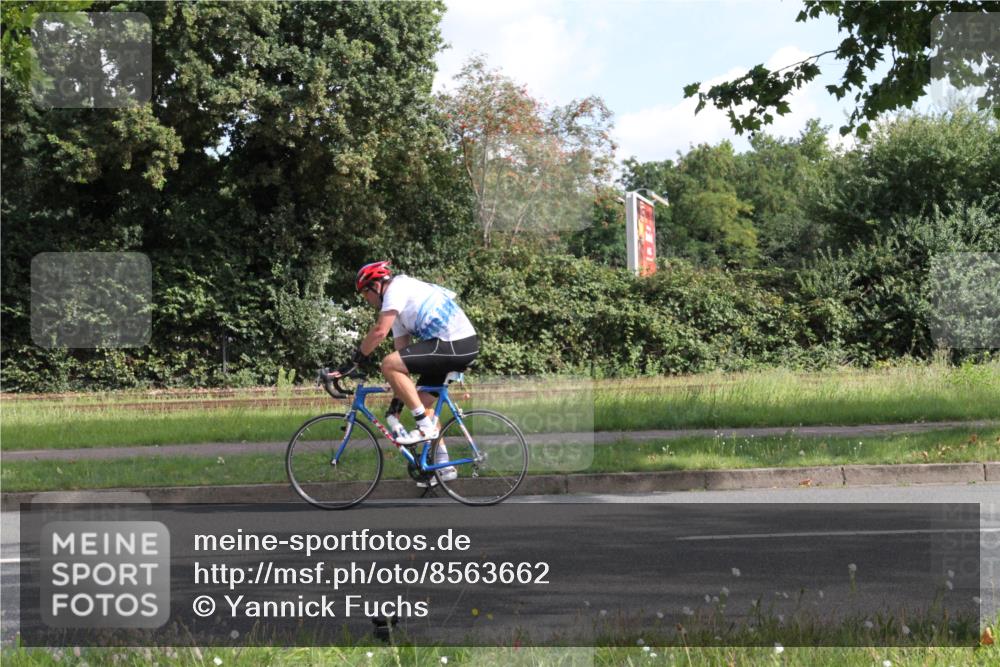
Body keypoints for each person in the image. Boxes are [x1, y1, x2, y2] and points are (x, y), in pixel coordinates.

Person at [335, 261, 479, 485]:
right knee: (420, 401)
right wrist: (395, 407)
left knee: (388, 365)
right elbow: (403, 362)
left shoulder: (396, 290)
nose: (367, 300)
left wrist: (354, 362)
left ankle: (423, 426)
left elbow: (379, 331)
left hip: (454, 343)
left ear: (376, 286)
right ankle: (444, 466)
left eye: (365, 294)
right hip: (451, 345)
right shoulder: (399, 311)